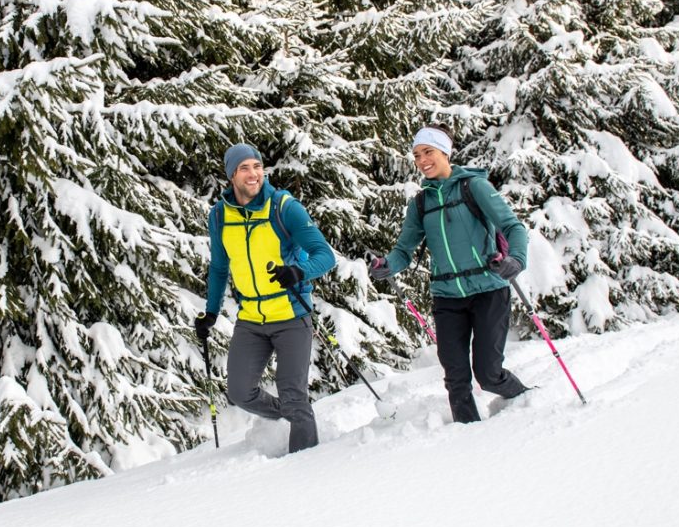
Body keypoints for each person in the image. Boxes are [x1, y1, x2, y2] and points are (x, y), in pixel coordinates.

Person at [369, 124, 529, 423]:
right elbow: (404, 250)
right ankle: (466, 439)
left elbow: (513, 227)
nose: (421, 160)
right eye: (416, 155)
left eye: (427, 152)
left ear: (445, 152)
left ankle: (525, 397)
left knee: (489, 374)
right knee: (455, 377)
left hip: (488, 291)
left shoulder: (474, 187)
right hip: (447, 297)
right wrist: (386, 265)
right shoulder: (421, 202)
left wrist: (516, 260)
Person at [194, 143, 336, 453]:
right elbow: (219, 268)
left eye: (257, 166)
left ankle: (305, 462)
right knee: (240, 391)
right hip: (252, 319)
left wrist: (298, 271)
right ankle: (294, 414)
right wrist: (211, 313)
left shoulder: (283, 207)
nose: (253, 173)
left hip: (291, 314)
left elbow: (325, 256)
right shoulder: (219, 216)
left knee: (294, 393)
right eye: (244, 168)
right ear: (232, 174)